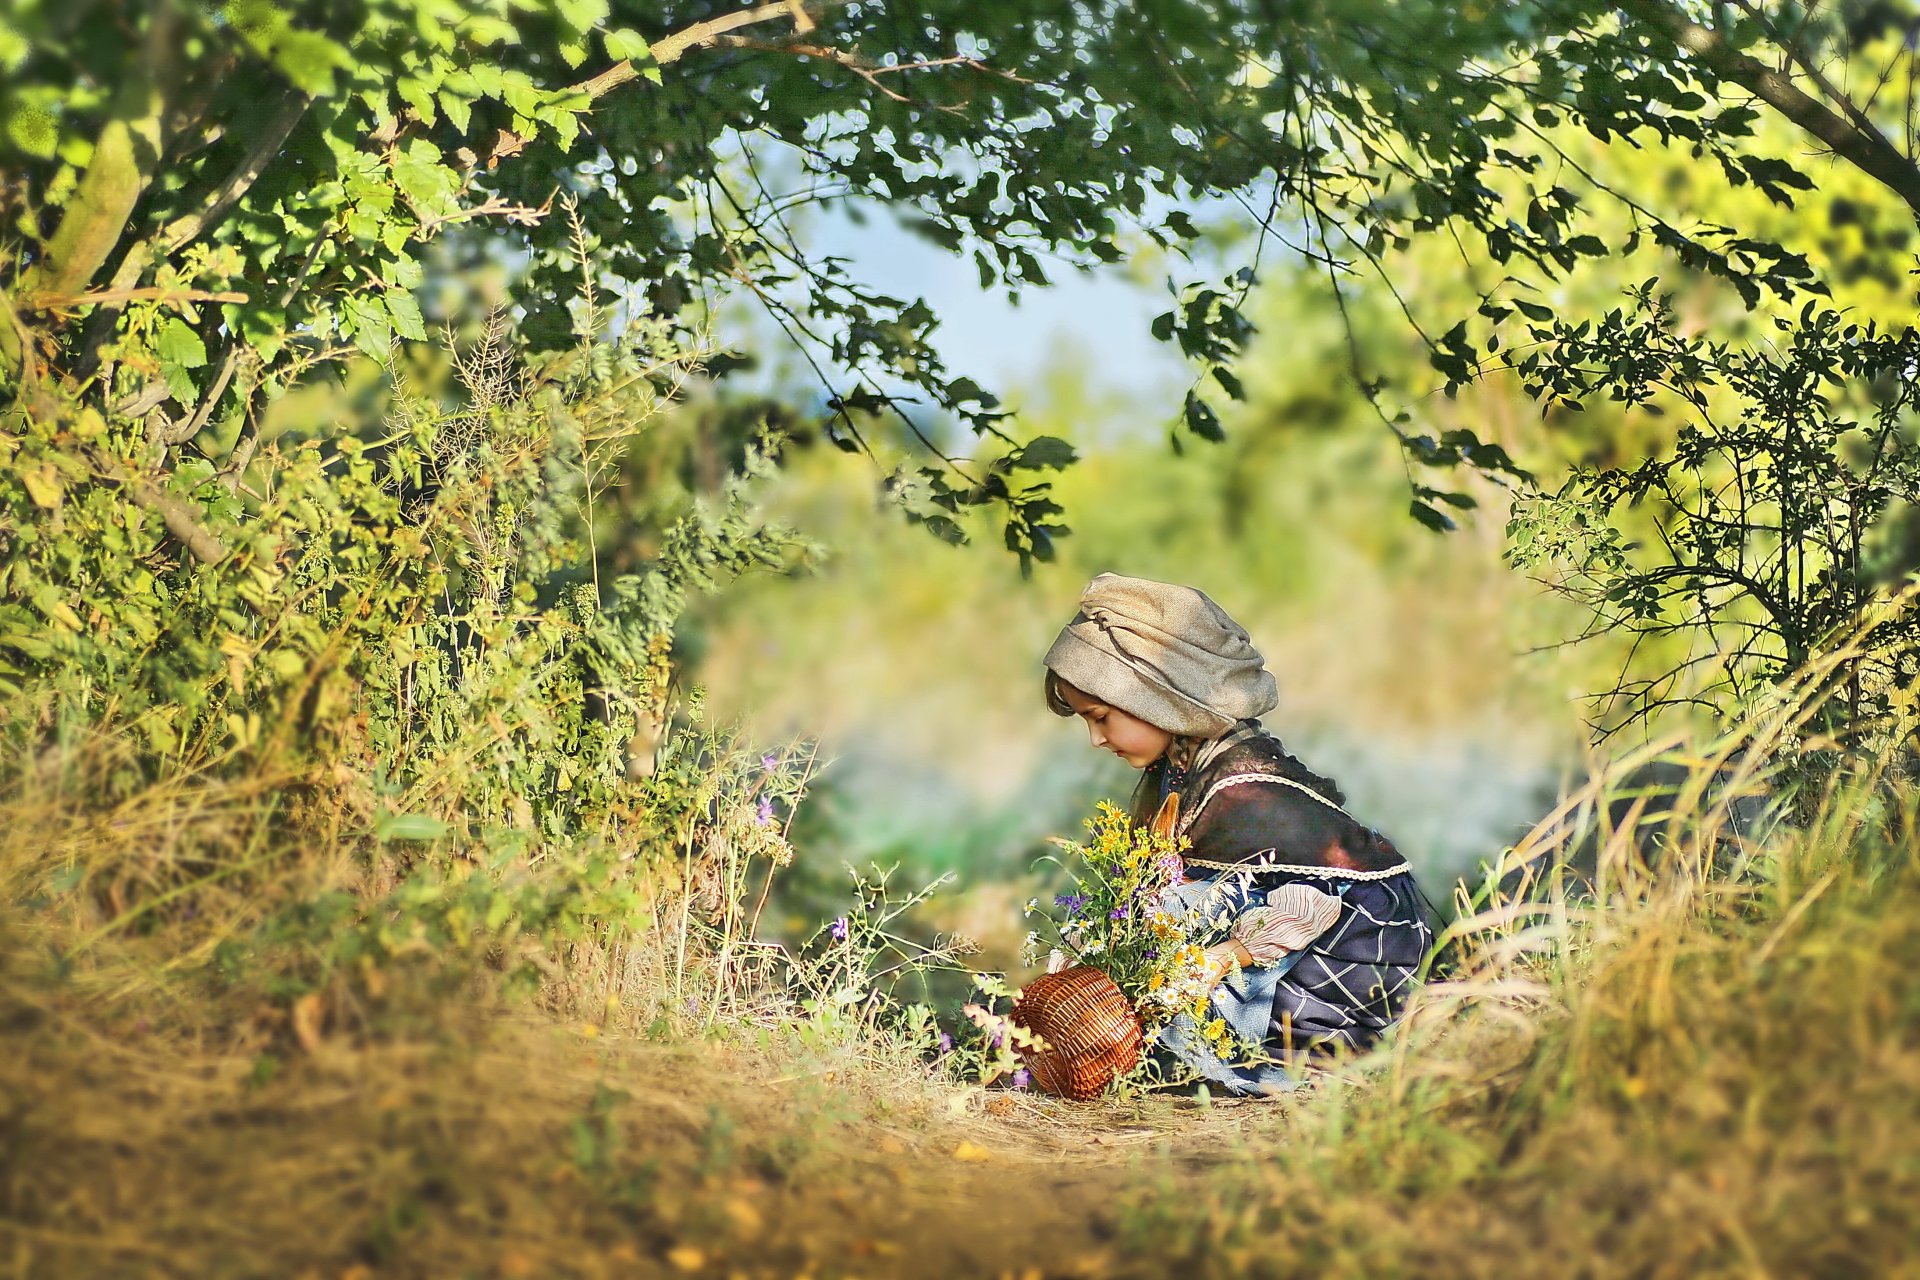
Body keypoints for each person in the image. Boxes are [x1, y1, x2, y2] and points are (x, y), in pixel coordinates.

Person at [1043, 572, 1434, 1094]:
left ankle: (1300, 1047)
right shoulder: (1186, 768)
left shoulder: (1245, 792)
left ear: (1160, 699)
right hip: (1285, 944)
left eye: (1101, 717)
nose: (1095, 739)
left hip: (1352, 960)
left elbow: (1310, 906)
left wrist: (1211, 963)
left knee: (1173, 1030)